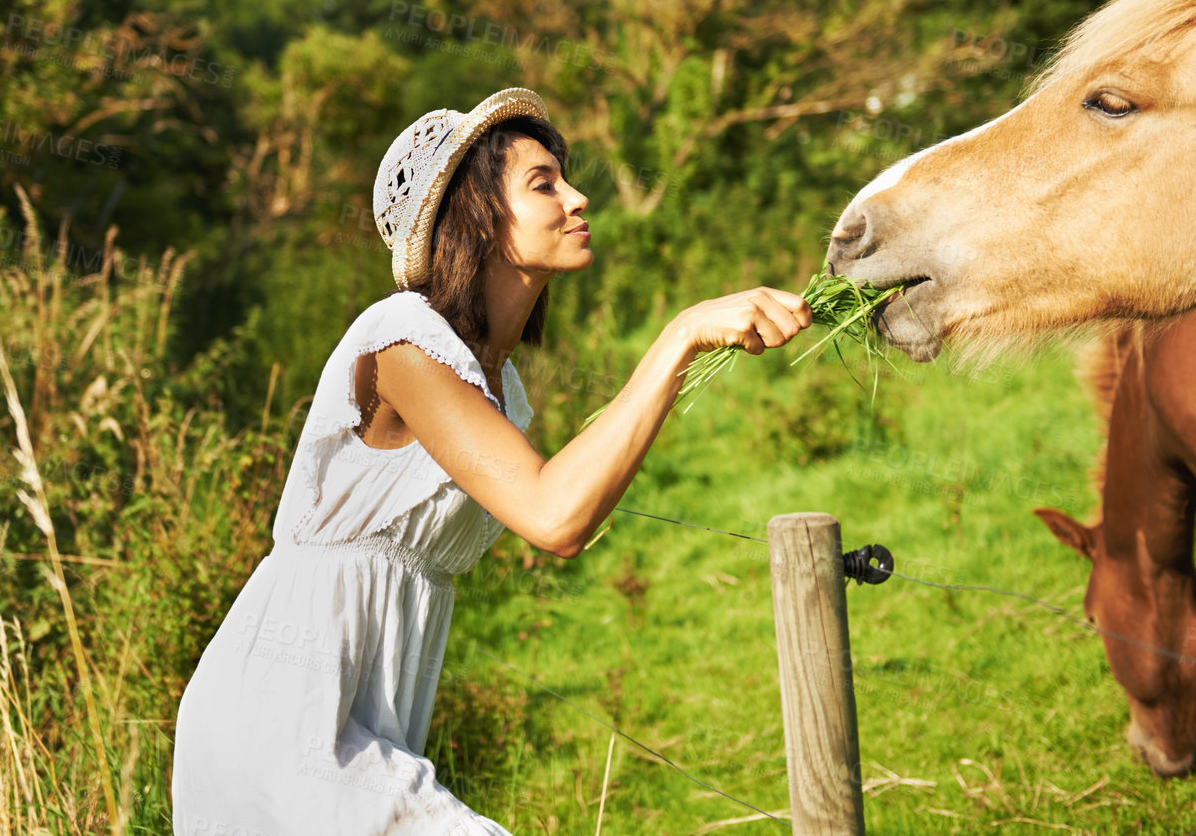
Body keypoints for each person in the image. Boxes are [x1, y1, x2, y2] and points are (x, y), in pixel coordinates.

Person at [171, 87, 813, 834]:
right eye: (543, 183)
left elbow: (564, 497)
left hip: (364, 726)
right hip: (282, 721)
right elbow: (554, 514)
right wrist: (681, 332)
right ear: (475, 216)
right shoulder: (402, 338)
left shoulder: (494, 382)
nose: (576, 198)